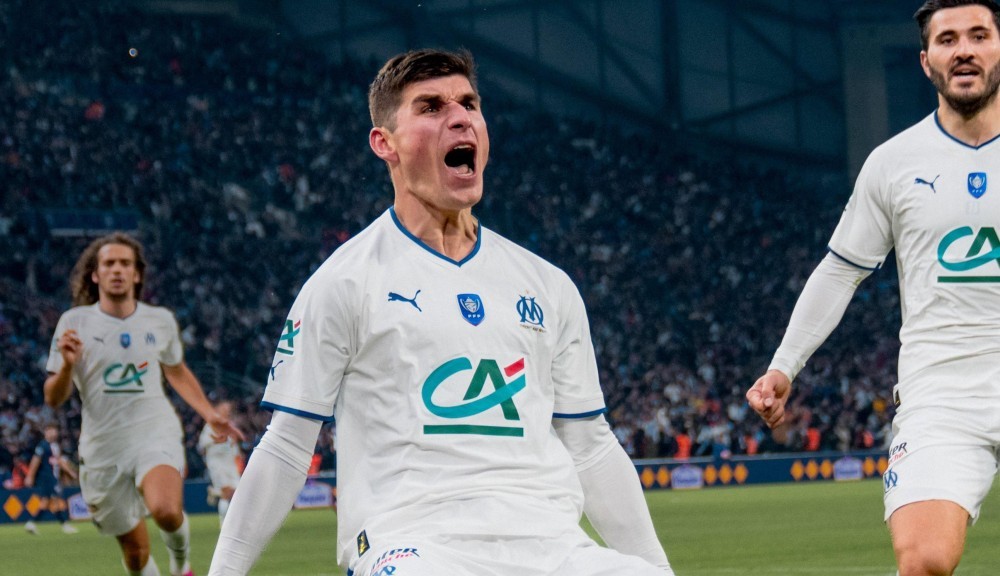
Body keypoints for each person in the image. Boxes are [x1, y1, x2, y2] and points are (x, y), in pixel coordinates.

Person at [209, 49, 674, 576]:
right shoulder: (344, 283)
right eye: (431, 107)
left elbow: (590, 446)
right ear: (385, 143)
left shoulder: (548, 286)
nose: (460, 118)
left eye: (469, 104)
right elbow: (286, 448)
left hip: (553, 545)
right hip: (412, 545)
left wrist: (658, 569)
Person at [746, 1, 1000, 574]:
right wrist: (783, 366)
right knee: (924, 561)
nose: (964, 50)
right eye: (948, 40)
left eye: (979, 35)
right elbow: (841, 270)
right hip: (942, 392)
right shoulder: (893, 162)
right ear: (926, 61)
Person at [44, 232, 242, 576]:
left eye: (125, 263)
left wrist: (209, 414)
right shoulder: (73, 323)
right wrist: (67, 367)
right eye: (109, 263)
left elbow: (176, 370)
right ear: (96, 274)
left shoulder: (159, 320)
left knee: (166, 510)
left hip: (154, 431)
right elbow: (53, 397)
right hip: (102, 446)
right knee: (136, 555)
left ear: (136, 274)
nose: (117, 270)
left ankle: (181, 567)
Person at [23, 422, 79, 535]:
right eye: (50, 430)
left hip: (54, 477)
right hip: (46, 477)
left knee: (47, 502)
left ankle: (31, 523)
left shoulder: (55, 446)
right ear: (46, 432)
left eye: (55, 430)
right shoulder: (42, 446)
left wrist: (70, 472)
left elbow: (59, 461)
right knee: (54, 500)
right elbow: (35, 461)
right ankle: (64, 525)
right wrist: (30, 476)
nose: (53, 433)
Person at [197, 400, 242, 526]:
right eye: (225, 409)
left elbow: (234, 445)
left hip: (230, 463)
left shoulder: (229, 426)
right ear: (218, 409)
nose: (227, 411)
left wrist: (237, 456)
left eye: (229, 409)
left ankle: (215, 492)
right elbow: (202, 444)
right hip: (217, 463)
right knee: (226, 493)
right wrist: (216, 440)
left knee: (236, 493)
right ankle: (224, 524)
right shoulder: (210, 425)